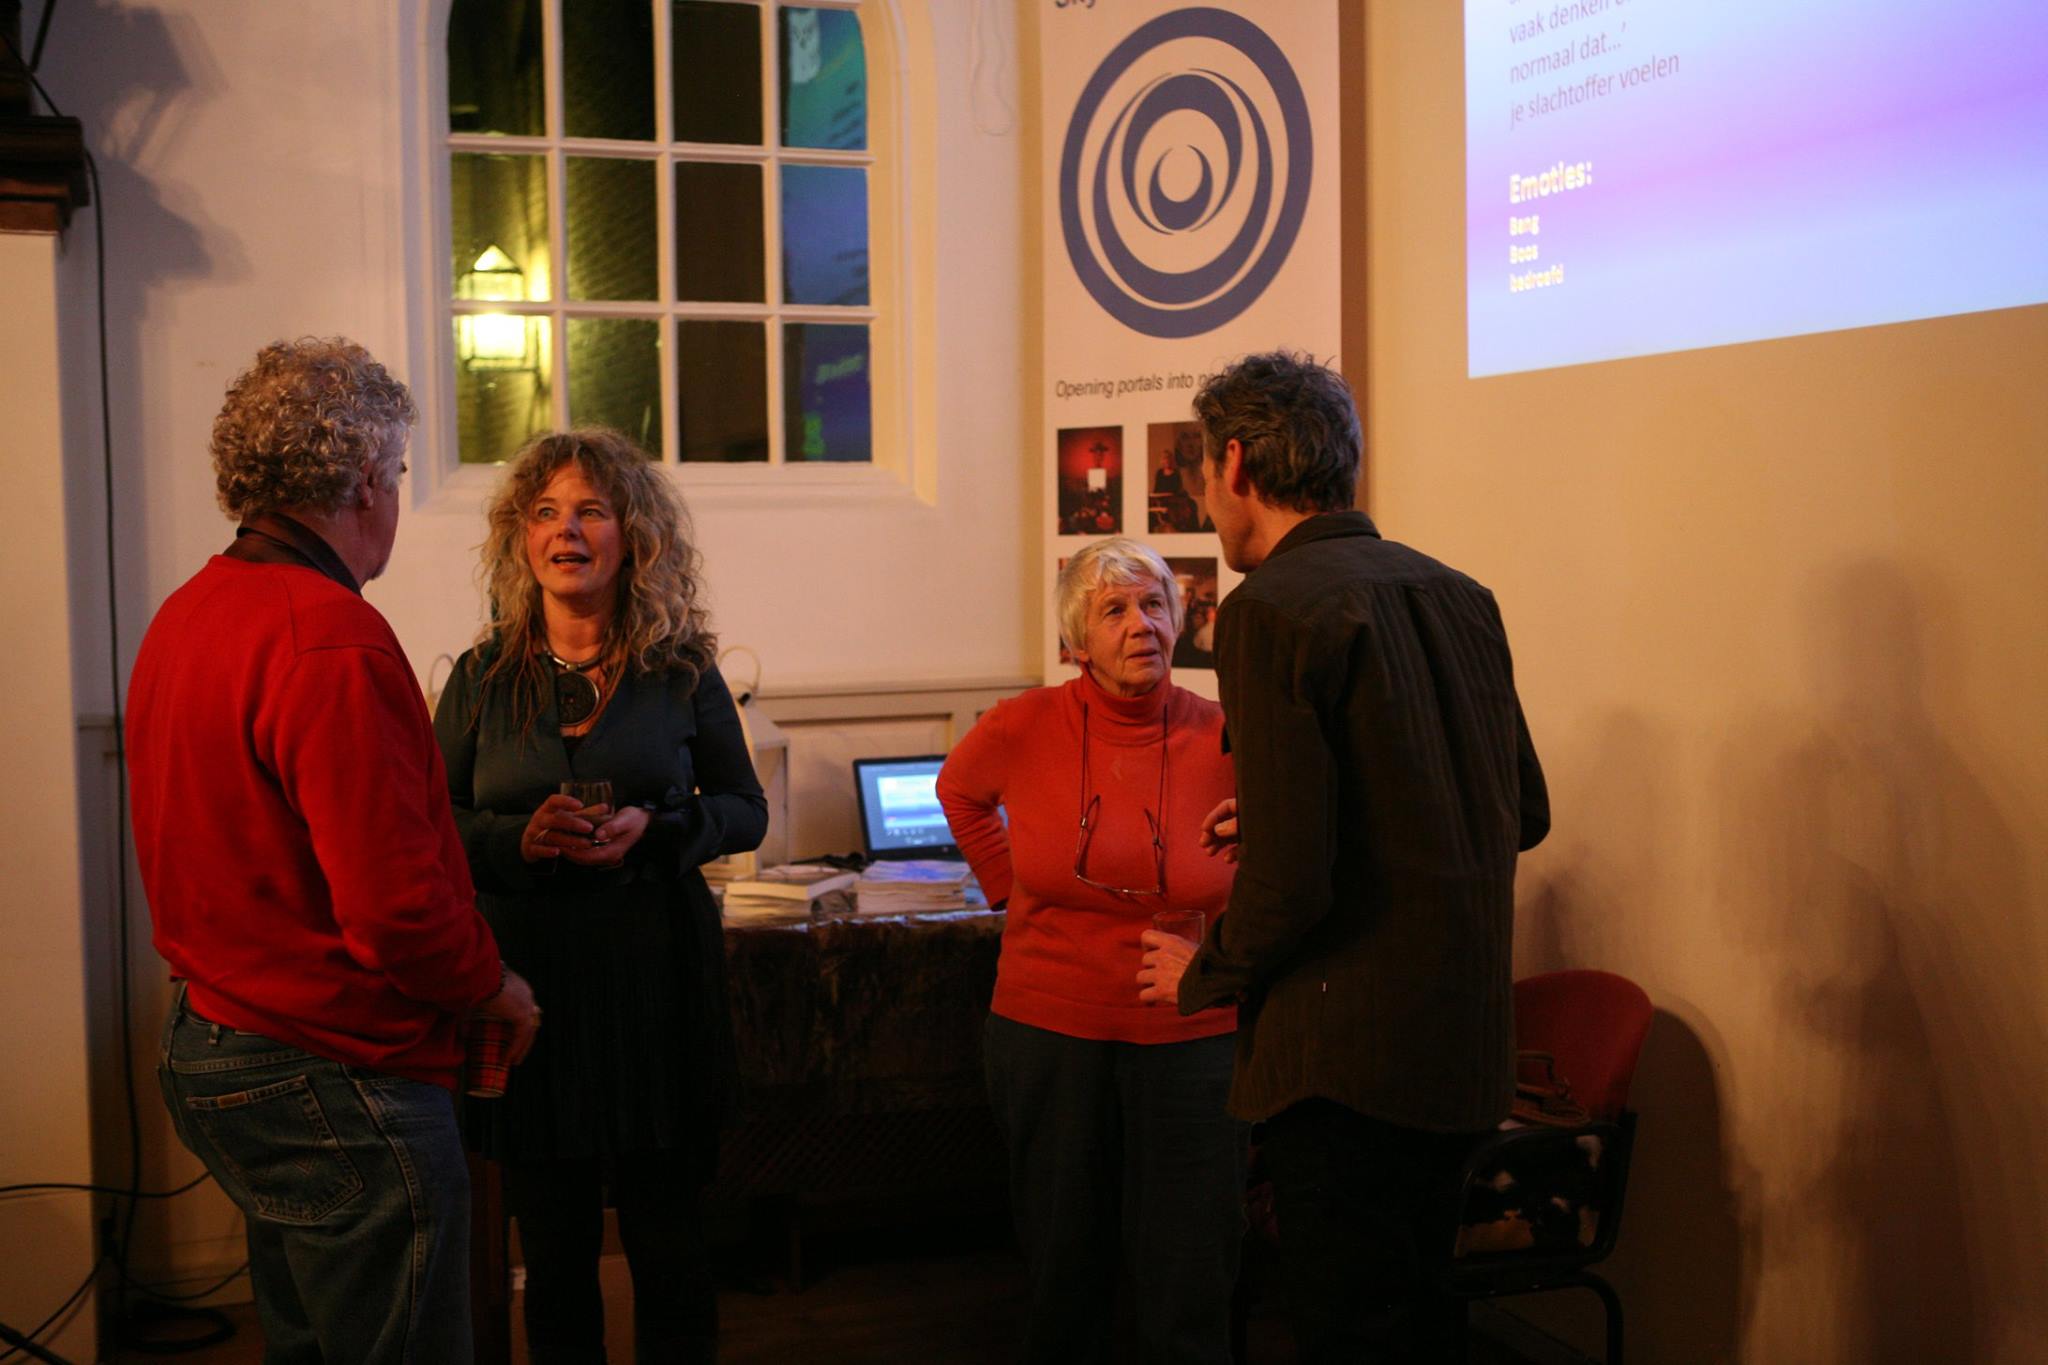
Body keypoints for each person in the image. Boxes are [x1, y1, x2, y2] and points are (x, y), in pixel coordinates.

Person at [128, 337, 541, 1364]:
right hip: (336, 1068)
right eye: (396, 470)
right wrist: (489, 984)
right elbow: (397, 909)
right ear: (364, 478)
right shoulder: (328, 635)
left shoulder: (189, 611)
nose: (394, 493)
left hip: (216, 1039)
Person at [1137, 351, 1550, 1363]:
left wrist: (1204, 973)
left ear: (1236, 462)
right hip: (1462, 1050)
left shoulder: (1269, 608)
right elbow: (1521, 812)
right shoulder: (1461, 593)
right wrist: (1293, 811)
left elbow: (1291, 886)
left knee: (1348, 1333)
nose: (1206, 500)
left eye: (1201, 474)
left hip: (1345, 1069)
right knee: (1426, 1324)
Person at [434, 427, 767, 1365]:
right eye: (546, 512)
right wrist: (514, 838)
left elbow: (744, 808)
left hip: (657, 983)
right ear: (522, 537)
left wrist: (654, 830)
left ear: (635, 535)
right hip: (531, 996)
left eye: (591, 510)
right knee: (553, 1247)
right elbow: (430, 823)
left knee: (669, 1240)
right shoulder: (481, 677)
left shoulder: (681, 668)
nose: (566, 530)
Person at [938, 537, 1243, 1365]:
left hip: (1191, 1031)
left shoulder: (1228, 733)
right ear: (1077, 641)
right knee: (1063, 1266)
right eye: (1114, 610)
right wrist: (1006, 883)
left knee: (1189, 1274)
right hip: (1050, 1028)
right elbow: (958, 790)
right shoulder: (1023, 723)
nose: (1141, 624)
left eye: (1154, 605)